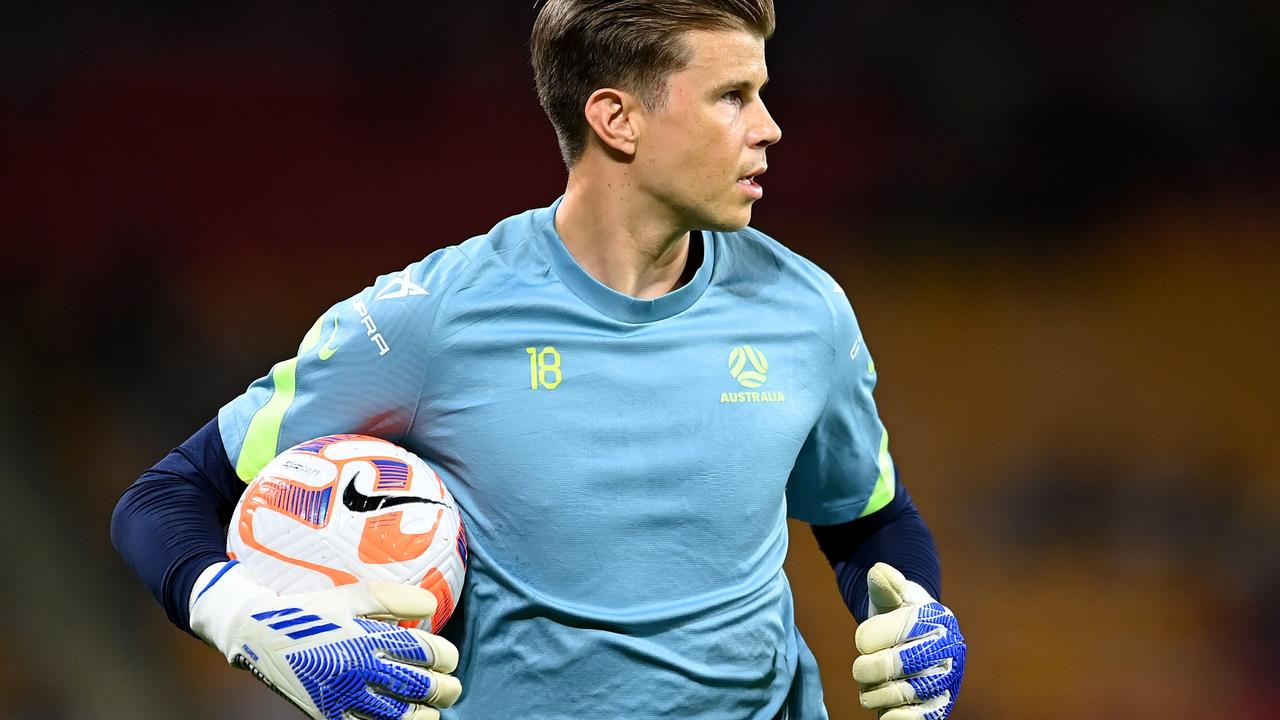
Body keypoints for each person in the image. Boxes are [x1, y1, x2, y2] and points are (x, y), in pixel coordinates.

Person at [111, 1, 966, 718]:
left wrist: (921, 617)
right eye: (733, 97)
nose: (770, 129)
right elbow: (163, 501)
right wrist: (252, 625)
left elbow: (867, 518)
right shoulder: (435, 317)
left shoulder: (806, 310)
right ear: (616, 119)